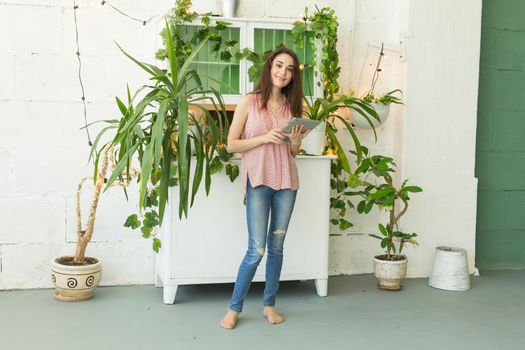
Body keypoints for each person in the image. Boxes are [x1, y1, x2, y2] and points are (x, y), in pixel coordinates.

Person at [220, 47, 309, 329]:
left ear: (293, 75)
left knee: (277, 248)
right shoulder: (250, 101)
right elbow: (231, 144)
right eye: (279, 66)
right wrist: (262, 138)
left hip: (286, 182)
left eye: (289, 69)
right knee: (256, 250)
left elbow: (293, 152)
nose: (283, 72)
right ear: (270, 67)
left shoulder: (294, 107)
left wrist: (295, 140)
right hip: (258, 180)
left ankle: (269, 305)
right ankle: (234, 309)